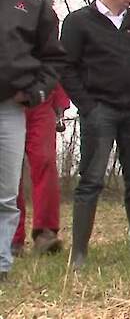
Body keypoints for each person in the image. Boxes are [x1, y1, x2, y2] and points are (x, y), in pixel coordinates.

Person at [60, 0, 130, 269]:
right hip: (99, 111)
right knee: (90, 181)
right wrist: (87, 106)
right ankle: (79, 254)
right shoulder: (79, 22)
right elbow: (66, 67)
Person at [0, 0, 65, 281]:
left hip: (11, 108)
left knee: (6, 192)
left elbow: (53, 56)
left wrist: (39, 89)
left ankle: (2, 265)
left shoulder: (32, 3)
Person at [11, 84, 70, 256]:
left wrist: (60, 101)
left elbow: (55, 60)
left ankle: (45, 232)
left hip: (41, 99)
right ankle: (12, 237)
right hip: (7, 100)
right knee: (9, 171)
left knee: (45, 162)